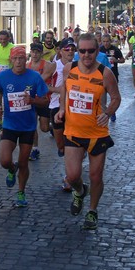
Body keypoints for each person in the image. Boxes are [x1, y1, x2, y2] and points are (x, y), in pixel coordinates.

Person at [55, 33, 121, 230]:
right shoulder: (70, 68)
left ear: (97, 51)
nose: (86, 55)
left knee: (95, 176)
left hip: (97, 134)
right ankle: (80, 191)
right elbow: (65, 88)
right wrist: (61, 109)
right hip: (73, 130)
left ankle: (92, 211)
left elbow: (117, 98)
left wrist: (108, 112)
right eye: (81, 51)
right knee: (72, 176)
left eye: (90, 51)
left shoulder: (105, 73)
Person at [0, 46, 49, 207]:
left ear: (26, 60)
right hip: (10, 125)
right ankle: (11, 169)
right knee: (4, 160)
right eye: (15, 59)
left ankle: (21, 192)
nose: (18, 62)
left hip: (28, 128)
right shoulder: (3, 76)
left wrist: (33, 101)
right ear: (11, 60)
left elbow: (45, 100)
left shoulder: (35, 77)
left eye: (21, 59)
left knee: (24, 162)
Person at [48, 38, 77, 191]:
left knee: (70, 145)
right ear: (60, 51)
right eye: (67, 49)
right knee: (61, 146)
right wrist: (57, 90)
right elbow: (42, 83)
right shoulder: (54, 66)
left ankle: (68, 177)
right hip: (55, 107)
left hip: (73, 110)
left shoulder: (79, 66)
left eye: (73, 49)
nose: (70, 51)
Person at [25, 42, 53, 160]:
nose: (35, 54)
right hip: (31, 100)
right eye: (33, 52)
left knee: (44, 128)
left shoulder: (47, 65)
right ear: (30, 52)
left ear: (41, 53)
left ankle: (52, 128)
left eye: (37, 52)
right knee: (32, 125)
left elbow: (41, 81)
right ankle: (35, 149)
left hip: (43, 99)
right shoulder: (26, 66)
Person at [0, 30, 15, 133]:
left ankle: (10, 121)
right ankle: (0, 122)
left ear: (9, 38)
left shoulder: (12, 47)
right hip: (0, 77)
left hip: (10, 77)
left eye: (5, 40)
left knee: (9, 101)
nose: (2, 41)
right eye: (1, 39)